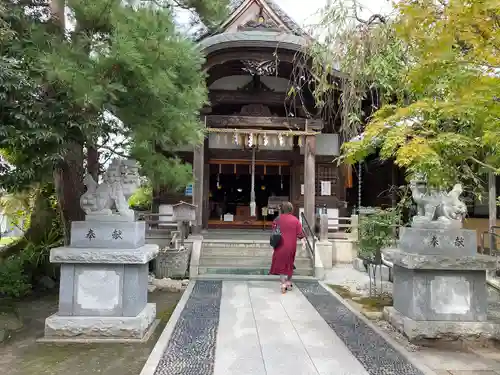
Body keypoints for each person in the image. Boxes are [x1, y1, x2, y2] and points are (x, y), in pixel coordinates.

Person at [269, 202, 306, 293]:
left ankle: (283, 284)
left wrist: (272, 245)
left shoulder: (277, 219)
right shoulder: (295, 220)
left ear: (282, 209)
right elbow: (300, 233)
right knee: (290, 263)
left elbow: (274, 232)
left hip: (280, 245)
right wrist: (303, 243)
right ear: (291, 209)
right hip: (291, 245)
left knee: (281, 264)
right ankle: (289, 282)